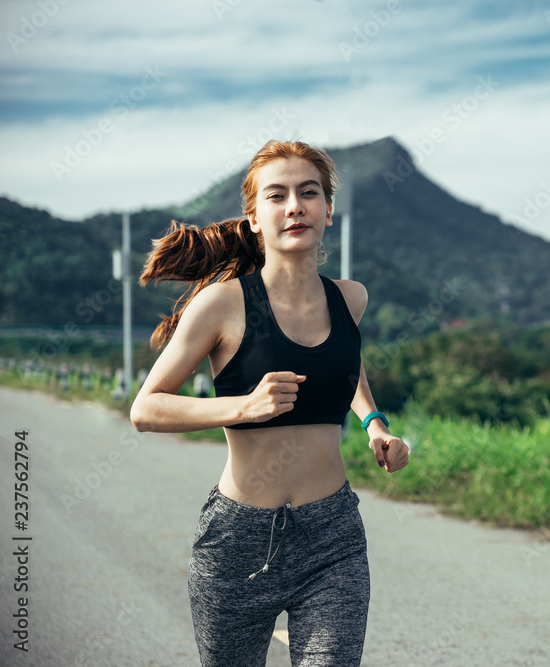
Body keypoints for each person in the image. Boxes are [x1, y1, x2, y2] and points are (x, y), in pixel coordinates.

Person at [129, 139, 408, 667]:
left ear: (328, 210)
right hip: (238, 540)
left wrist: (374, 424)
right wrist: (241, 407)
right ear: (255, 217)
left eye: (309, 193)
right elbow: (147, 408)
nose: (295, 206)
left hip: (333, 538)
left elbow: (344, 365)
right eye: (277, 196)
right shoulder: (223, 304)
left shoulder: (351, 298)